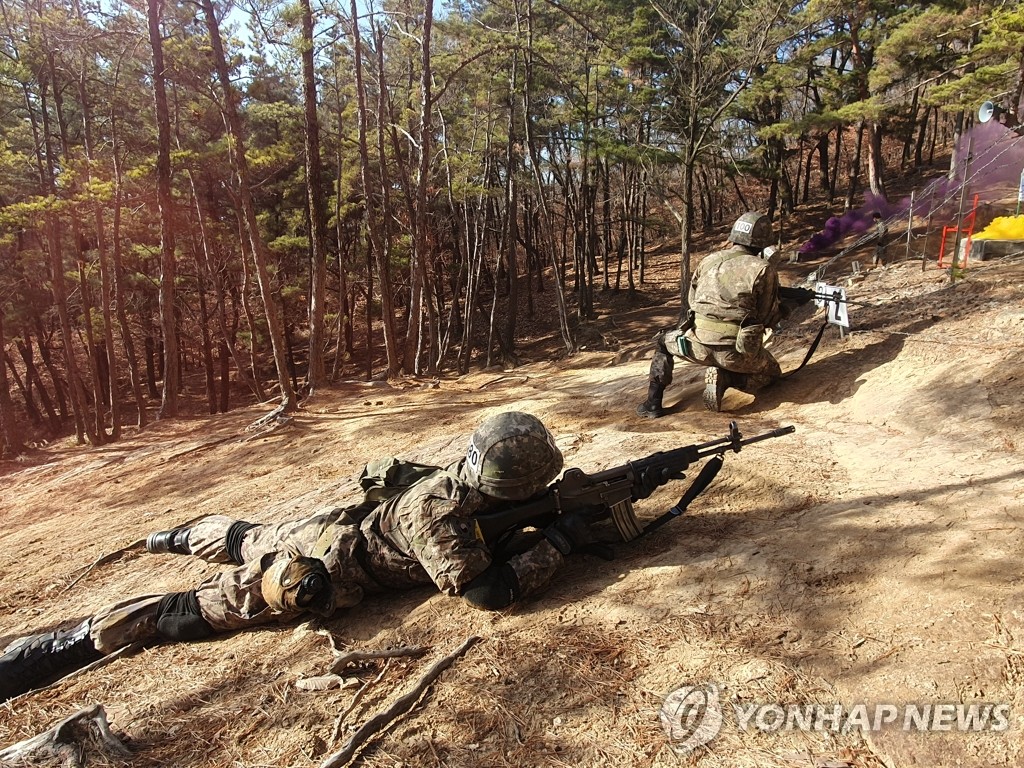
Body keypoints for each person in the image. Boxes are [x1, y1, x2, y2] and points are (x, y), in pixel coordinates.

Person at [0, 411, 595, 703]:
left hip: (334, 529)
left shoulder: (469, 483)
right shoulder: (438, 515)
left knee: (249, 535)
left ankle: (175, 537)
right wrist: (560, 542)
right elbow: (488, 593)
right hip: (323, 569)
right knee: (198, 606)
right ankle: (72, 641)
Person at [636, 211, 791, 416]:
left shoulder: (709, 260)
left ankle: (653, 404)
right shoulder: (763, 268)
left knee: (663, 343)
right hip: (734, 354)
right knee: (772, 376)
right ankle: (727, 379)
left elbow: (692, 301)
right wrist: (788, 307)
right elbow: (765, 316)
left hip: (695, 346)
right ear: (763, 242)